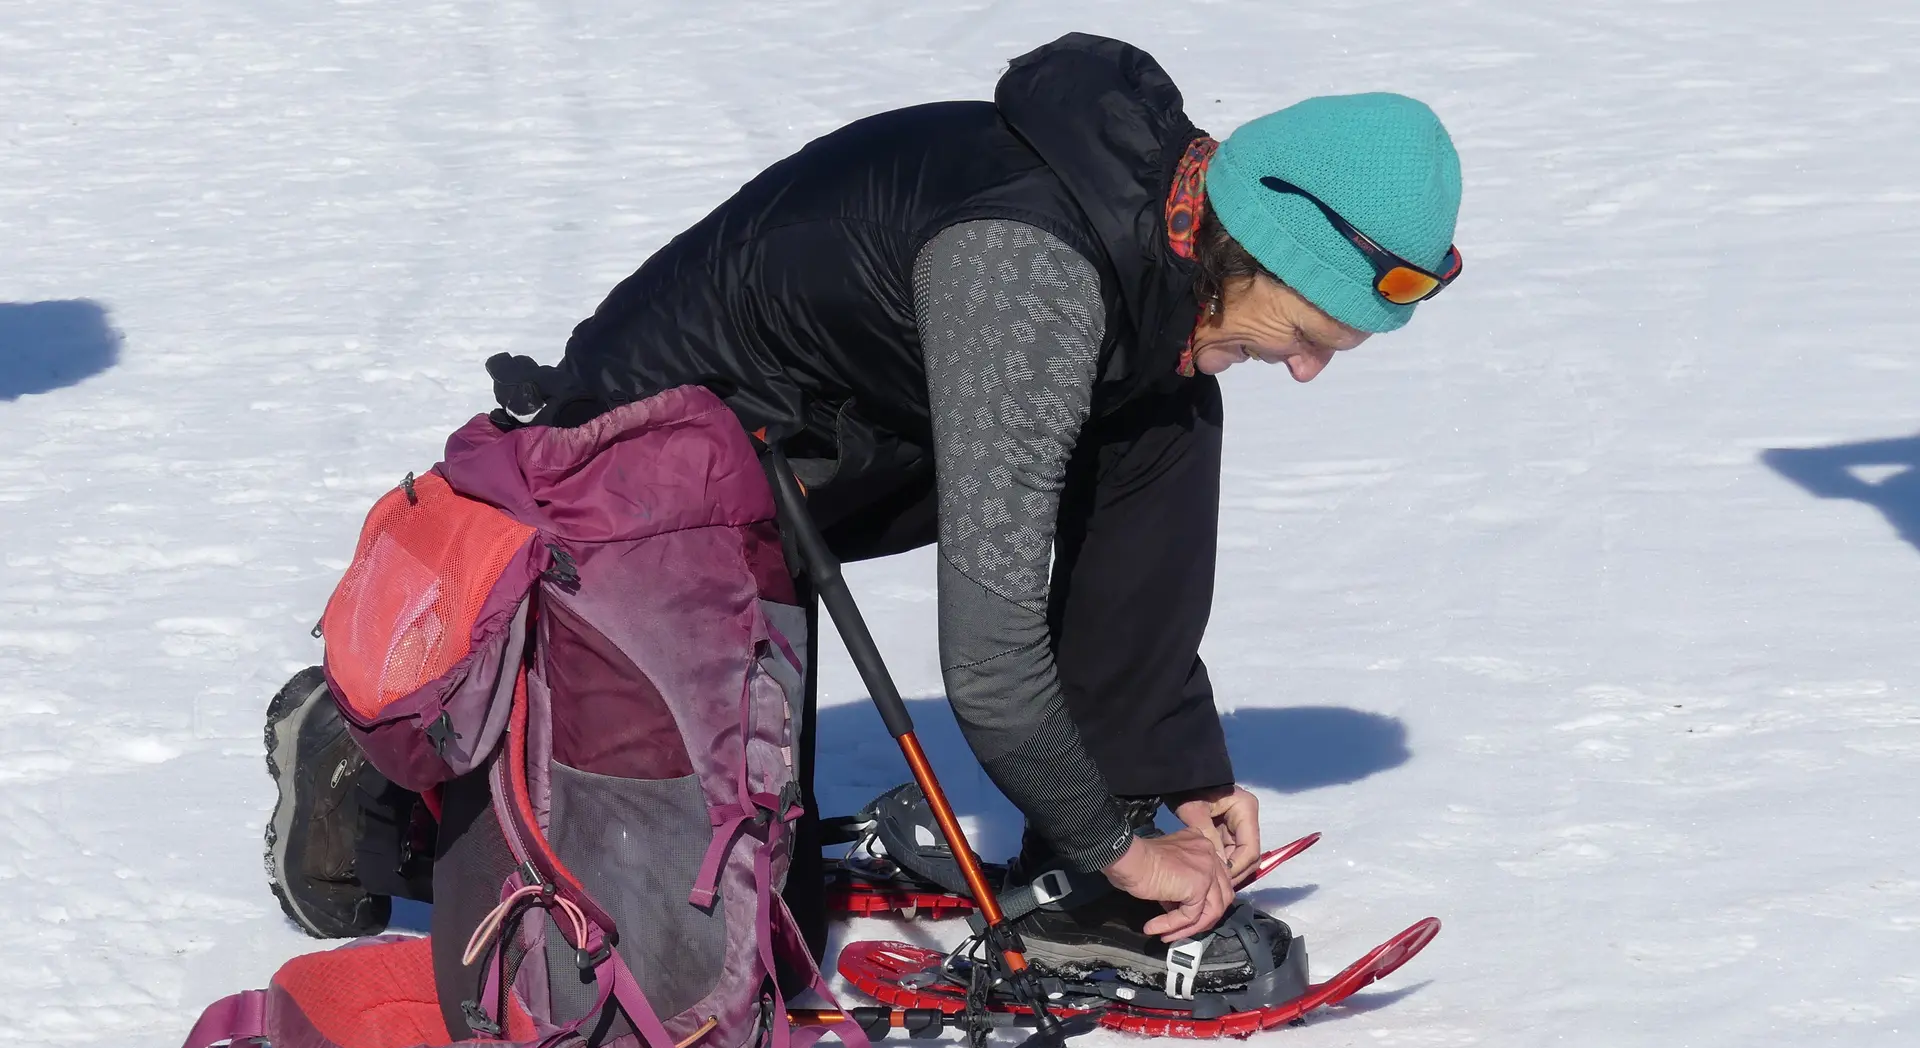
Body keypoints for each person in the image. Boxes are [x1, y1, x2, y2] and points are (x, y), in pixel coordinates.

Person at [262, 32, 1462, 992]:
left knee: (1169, 397)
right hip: (640, 486)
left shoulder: (1173, 252)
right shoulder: (1030, 270)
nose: (1308, 372)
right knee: (701, 938)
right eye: (1311, 337)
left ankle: (1098, 823)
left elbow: (1135, 515)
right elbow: (988, 659)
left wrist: (1171, 777)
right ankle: (375, 753)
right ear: (1260, 241)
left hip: (829, 440)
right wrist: (1122, 850)